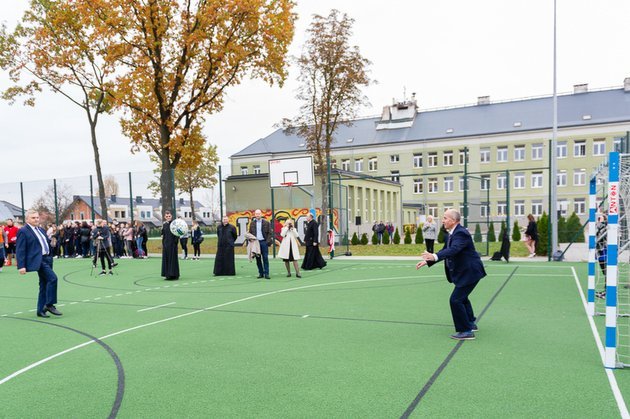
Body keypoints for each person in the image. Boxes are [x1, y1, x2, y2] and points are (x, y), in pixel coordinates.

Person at [416, 209, 486, 341]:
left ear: (453, 221)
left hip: (470, 272)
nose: (442, 220)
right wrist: (428, 261)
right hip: (466, 272)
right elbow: (445, 251)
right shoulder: (452, 234)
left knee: (456, 299)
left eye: (445, 218)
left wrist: (434, 255)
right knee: (462, 298)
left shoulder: (461, 233)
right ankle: (470, 323)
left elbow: (454, 250)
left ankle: (466, 331)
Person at [16, 210, 62, 318]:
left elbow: (45, 242)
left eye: (37, 217)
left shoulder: (41, 229)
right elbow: (20, 249)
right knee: (53, 278)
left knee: (44, 284)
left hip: (47, 258)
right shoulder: (23, 231)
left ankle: (40, 310)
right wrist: (21, 266)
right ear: (27, 219)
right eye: (33, 218)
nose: (36, 219)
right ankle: (49, 304)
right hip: (38, 260)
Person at [248, 209, 272, 279]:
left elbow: (270, 233)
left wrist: (267, 242)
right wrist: (251, 239)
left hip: (263, 242)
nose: (257, 215)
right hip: (256, 243)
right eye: (256, 214)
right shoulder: (252, 223)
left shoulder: (266, 223)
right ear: (255, 215)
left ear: (261, 214)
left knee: (265, 258)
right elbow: (250, 233)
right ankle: (260, 273)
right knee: (258, 259)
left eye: (259, 214)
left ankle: (266, 273)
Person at [161, 211, 180, 280]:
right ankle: (167, 275)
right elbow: (163, 234)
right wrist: (163, 243)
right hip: (166, 244)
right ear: (164, 217)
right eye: (166, 216)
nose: (168, 217)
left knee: (173, 259)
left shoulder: (174, 224)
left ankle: (174, 275)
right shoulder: (164, 225)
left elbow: (177, 234)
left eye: (169, 216)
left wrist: (175, 243)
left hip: (172, 244)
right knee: (166, 259)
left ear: (171, 216)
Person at [595, 214, 608, 299]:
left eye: (600, 218)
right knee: (605, 272)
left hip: (605, 252)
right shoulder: (599, 227)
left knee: (608, 272)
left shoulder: (605, 228)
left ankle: (607, 292)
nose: (599, 219)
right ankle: (605, 291)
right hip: (600, 252)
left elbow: (602, 237)